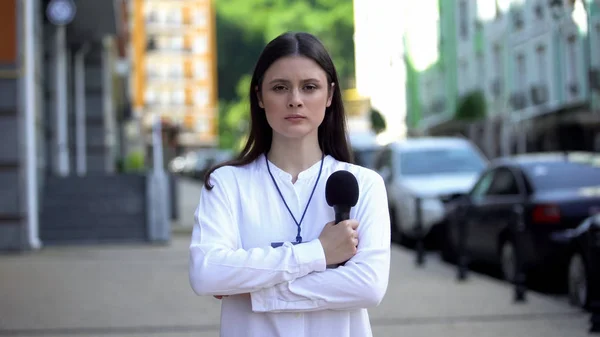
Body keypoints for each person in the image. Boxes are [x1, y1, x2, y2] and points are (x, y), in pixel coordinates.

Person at [189, 31, 391, 337]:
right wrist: (318, 252)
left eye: (309, 87)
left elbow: (368, 286)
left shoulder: (365, 184)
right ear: (259, 96)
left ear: (329, 95)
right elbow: (207, 273)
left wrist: (257, 291)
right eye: (280, 87)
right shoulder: (227, 184)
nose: (295, 100)